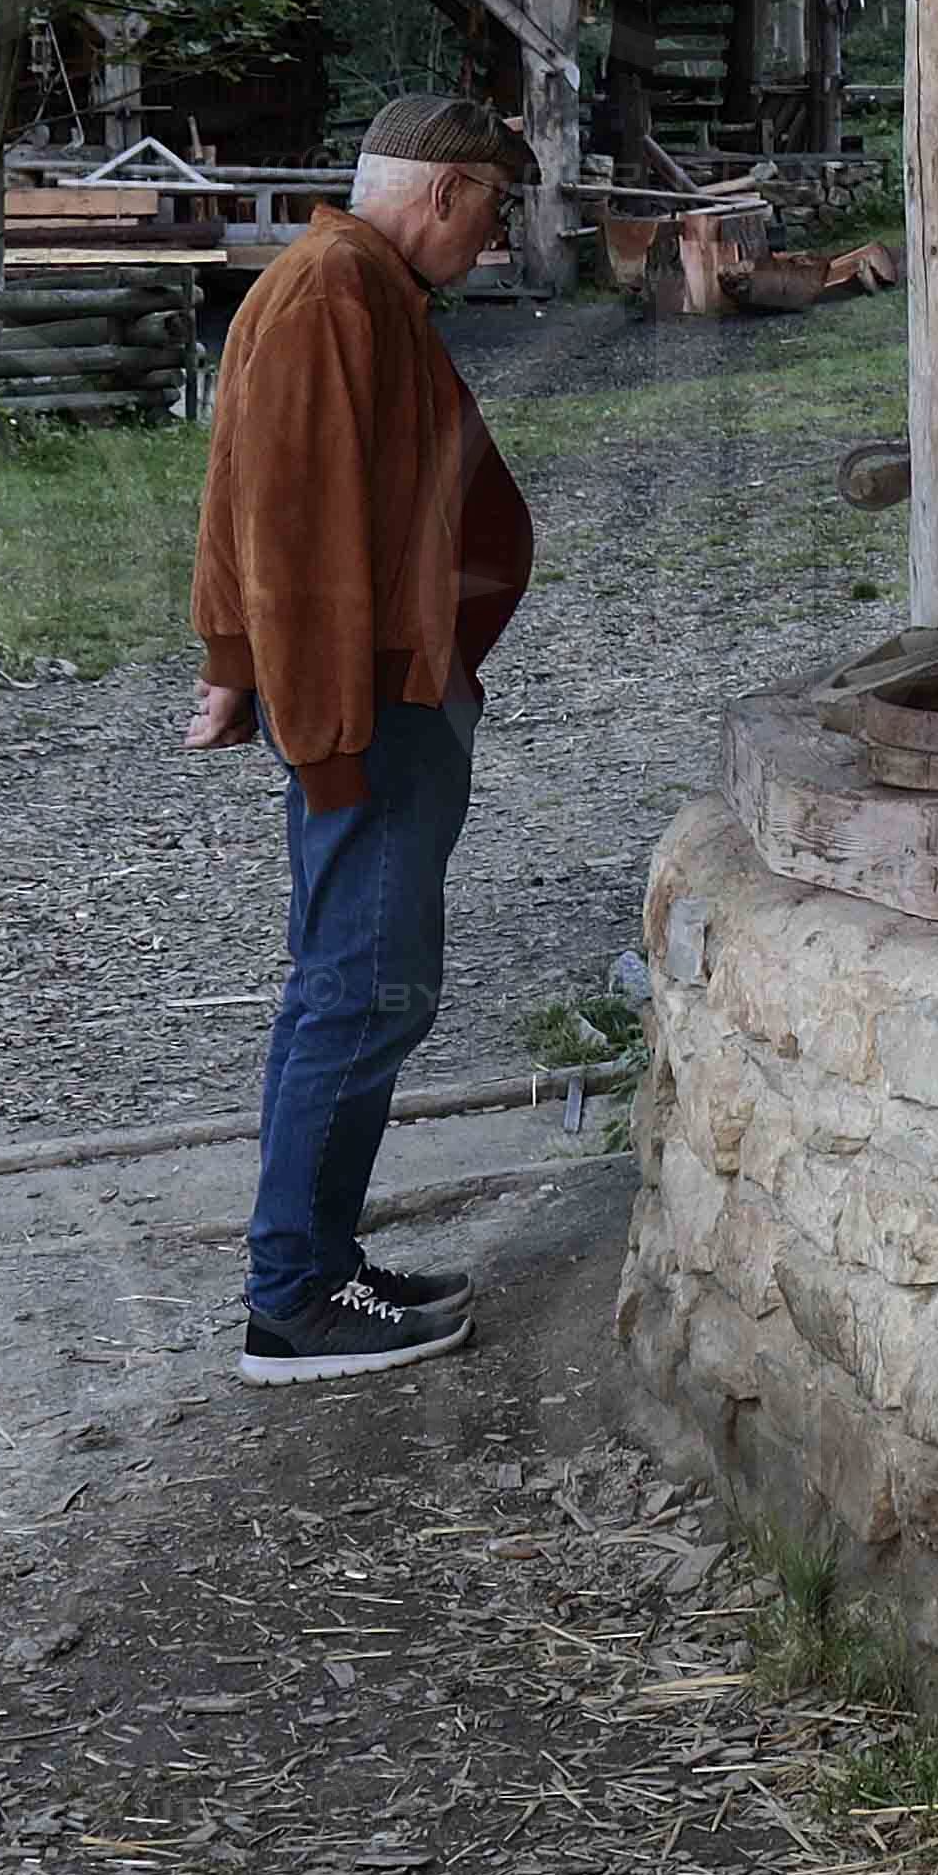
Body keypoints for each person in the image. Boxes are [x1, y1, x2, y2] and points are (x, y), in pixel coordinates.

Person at [190, 94, 539, 1386]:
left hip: (383, 701)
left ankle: (319, 1265)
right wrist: (318, 727)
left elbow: (244, 496)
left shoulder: (353, 285)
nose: (494, 238)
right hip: (374, 717)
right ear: (445, 192)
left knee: (351, 986)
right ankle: (293, 1302)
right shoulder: (334, 294)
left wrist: (237, 671)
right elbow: (284, 530)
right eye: (493, 209)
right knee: (364, 991)